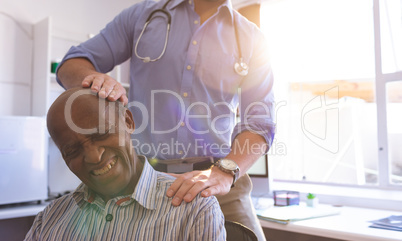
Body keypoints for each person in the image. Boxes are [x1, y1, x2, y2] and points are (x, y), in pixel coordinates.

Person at [57, 0, 275, 240]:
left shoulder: (253, 38)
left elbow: (260, 122)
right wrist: (96, 79)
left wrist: (224, 172)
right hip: (142, 185)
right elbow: (71, 63)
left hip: (220, 185)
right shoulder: (142, 16)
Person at [24, 87, 226, 241]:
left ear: (128, 121)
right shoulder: (50, 219)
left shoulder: (193, 208)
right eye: (72, 150)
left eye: (101, 134)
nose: (94, 157)